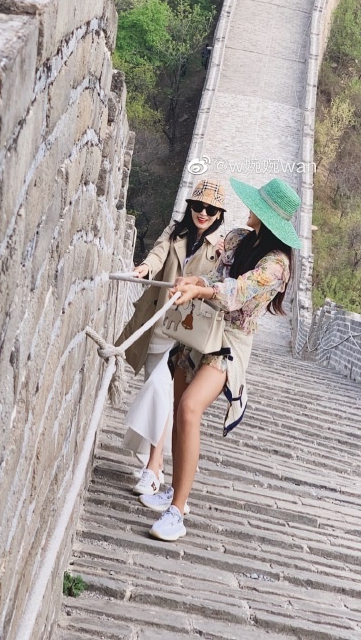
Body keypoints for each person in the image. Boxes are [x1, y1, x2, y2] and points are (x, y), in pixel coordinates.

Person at [139, 177, 301, 541]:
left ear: (266, 215)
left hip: (229, 343)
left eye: (256, 204)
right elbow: (213, 274)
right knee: (180, 409)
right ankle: (174, 489)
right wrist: (190, 281)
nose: (249, 208)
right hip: (201, 329)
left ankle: (177, 512)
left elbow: (237, 292)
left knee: (190, 409)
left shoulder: (277, 265)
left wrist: (202, 288)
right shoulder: (238, 239)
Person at [118, 180, 226, 496]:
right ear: (190, 207)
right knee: (158, 392)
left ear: (219, 213)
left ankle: (154, 466)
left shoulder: (219, 249)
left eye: (210, 209)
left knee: (161, 389)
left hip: (185, 335)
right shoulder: (174, 232)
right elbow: (157, 254)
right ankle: (153, 465)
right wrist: (144, 269)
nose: (203, 213)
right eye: (198, 206)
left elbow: (219, 284)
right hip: (157, 325)